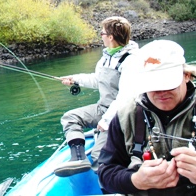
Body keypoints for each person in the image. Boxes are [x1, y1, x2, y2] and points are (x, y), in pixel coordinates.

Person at [97, 39, 196, 195]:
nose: (161, 92)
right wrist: (135, 181)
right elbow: (105, 174)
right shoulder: (125, 116)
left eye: (167, 83)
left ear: (187, 75)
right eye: (153, 85)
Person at [54, 16, 139, 177]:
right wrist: (75, 79)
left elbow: (126, 96)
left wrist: (106, 121)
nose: (101, 35)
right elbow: (97, 80)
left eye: (102, 33)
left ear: (111, 37)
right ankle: (78, 158)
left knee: (100, 159)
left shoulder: (132, 60)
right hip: (103, 107)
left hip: (122, 115)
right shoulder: (106, 57)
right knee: (70, 117)